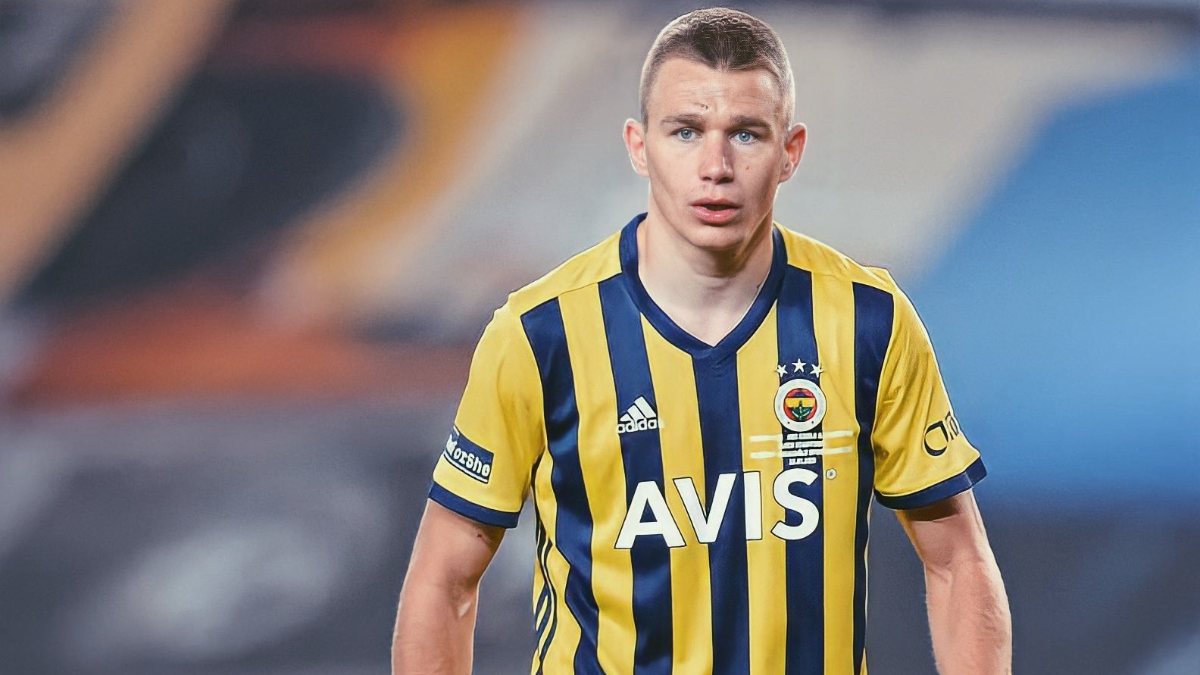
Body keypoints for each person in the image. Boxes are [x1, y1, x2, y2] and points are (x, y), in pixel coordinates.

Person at [392, 7, 1011, 674]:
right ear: (639, 146)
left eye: (745, 134)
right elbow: (443, 579)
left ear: (790, 151)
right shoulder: (541, 333)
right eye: (686, 131)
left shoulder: (867, 319)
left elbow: (958, 561)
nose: (715, 165)